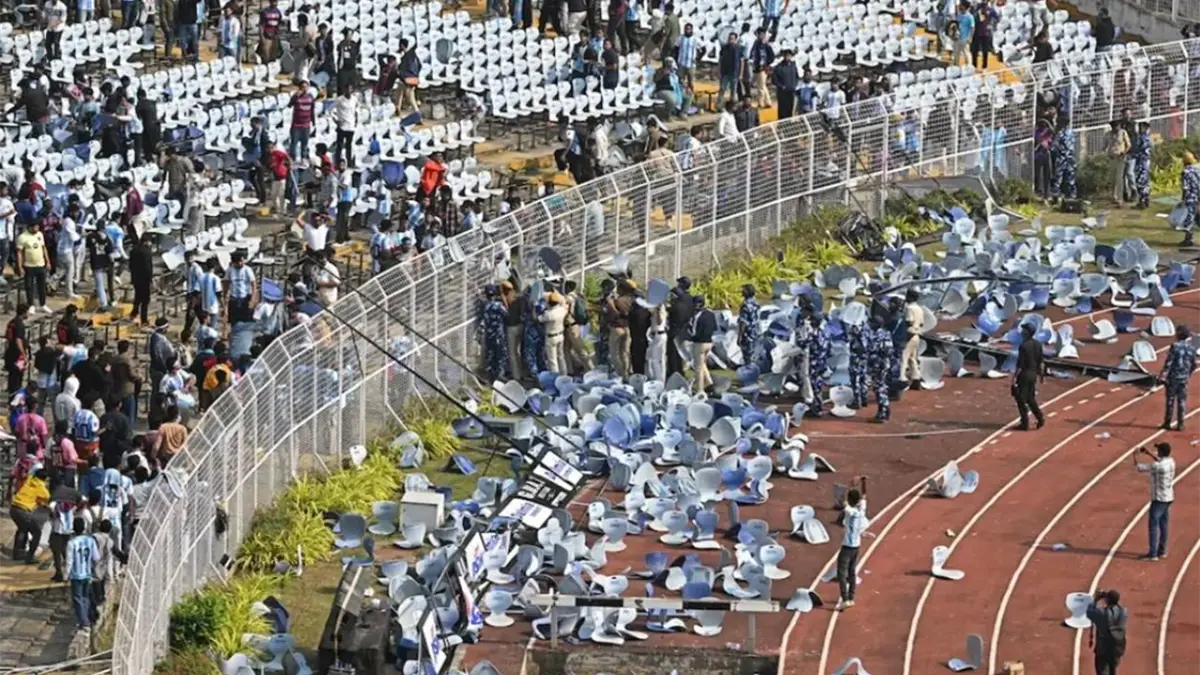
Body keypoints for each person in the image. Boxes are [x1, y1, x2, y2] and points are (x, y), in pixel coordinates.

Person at [1135, 442, 1175, 562]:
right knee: (1164, 524)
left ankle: (1153, 553)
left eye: (1158, 451)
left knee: (1153, 525)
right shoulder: (1171, 461)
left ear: (1162, 452)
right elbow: (1160, 461)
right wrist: (1149, 454)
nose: (1157, 452)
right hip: (1168, 497)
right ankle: (1162, 551)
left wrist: (1135, 456)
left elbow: (1139, 468)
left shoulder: (1157, 466)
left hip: (1159, 499)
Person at [835, 476, 868, 611]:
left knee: (841, 573)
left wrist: (850, 485)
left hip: (847, 547)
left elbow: (843, 500)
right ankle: (852, 597)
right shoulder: (861, 509)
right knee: (852, 572)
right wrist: (863, 482)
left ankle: (845, 598)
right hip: (856, 546)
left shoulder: (851, 512)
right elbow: (864, 495)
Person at [1159, 325, 1196, 430]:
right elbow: (1194, 364)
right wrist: (1188, 373)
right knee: (1182, 401)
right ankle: (1181, 423)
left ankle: (1167, 422)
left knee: (1170, 400)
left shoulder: (1174, 347)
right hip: (1184, 378)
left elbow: (1168, 363)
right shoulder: (1192, 348)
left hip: (1173, 378)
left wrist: (1162, 376)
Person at [10, 466, 50, 563]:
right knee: (37, 533)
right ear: (45, 479)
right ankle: (29, 557)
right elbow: (46, 497)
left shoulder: (30, 479)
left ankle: (17, 553)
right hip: (23, 510)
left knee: (22, 528)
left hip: (13, 508)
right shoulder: (42, 488)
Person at [65, 516, 99, 628]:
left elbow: (69, 561)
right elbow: (96, 557)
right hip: (87, 573)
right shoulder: (91, 540)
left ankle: (84, 621)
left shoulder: (71, 543)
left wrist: (66, 575)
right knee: (85, 597)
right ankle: (86, 618)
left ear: (73, 528)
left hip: (76, 575)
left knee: (77, 598)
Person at [1012, 322, 1045, 430]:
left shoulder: (1024, 346)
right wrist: (1041, 375)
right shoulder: (1038, 344)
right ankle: (1040, 417)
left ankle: (1025, 422)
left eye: (1023, 330)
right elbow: (1041, 361)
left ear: (1027, 332)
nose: (1022, 332)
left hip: (1025, 375)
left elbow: (1020, 364)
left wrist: (1014, 378)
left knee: (1020, 398)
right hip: (1033, 374)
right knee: (1030, 398)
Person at [1086, 589, 1127, 675]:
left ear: (1107, 600)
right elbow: (1119, 606)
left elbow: (1089, 612)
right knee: (1112, 670)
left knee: (1102, 670)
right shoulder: (1123, 613)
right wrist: (1111, 598)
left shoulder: (1101, 613)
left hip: (1103, 648)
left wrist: (1096, 599)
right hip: (1116, 647)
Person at [16, 220, 48, 313]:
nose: (37, 229)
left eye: (37, 227)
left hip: (40, 264)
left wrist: (47, 261)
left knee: (41, 286)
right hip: (29, 265)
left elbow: (43, 248)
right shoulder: (22, 237)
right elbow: (19, 253)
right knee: (29, 286)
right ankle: (31, 305)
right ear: (30, 227)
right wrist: (20, 267)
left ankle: (43, 304)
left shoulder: (40, 235)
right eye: (35, 227)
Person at [480, 284, 509, 381]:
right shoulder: (498, 306)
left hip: (489, 334)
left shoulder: (484, 305)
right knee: (501, 354)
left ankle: (490, 376)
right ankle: (500, 374)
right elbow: (506, 315)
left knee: (490, 355)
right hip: (499, 334)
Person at [607, 280, 635, 378]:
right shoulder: (632, 299)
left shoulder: (618, 301)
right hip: (628, 328)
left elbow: (616, 314)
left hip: (617, 327)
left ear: (622, 289)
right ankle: (628, 371)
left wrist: (611, 305)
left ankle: (621, 374)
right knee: (625, 352)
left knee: (614, 353)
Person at [868, 315, 893, 422]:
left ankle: (883, 412)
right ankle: (884, 410)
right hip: (885, 363)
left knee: (879, 388)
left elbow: (871, 350)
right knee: (882, 386)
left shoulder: (875, 335)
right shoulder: (886, 333)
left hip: (877, 364)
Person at [689, 294, 715, 393]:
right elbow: (714, 327)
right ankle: (709, 383)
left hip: (699, 343)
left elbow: (694, 332)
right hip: (709, 342)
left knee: (698, 368)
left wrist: (689, 334)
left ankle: (700, 390)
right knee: (702, 363)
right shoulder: (710, 313)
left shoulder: (697, 316)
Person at [540, 291, 569, 374]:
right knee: (561, 356)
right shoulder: (562, 310)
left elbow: (537, 319)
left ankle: (555, 377)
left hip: (551, 337)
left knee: (552, 360)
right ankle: (564, 374)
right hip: (560, 335)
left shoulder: (549, 314)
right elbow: (563, 302)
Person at [1104, 120, 1131, 206]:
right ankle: (1113, 196)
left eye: (1116, 126)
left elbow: (1128, 145)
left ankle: (1120, 198)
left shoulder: (1123, 133)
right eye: (1113, 126)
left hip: (1120, 157)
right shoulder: (1108, 134)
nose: (1115, 128)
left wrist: (1124, 152)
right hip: (1112, 157)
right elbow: (1105, 145)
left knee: (1119, 178)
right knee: (1112, 178)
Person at [1052, 117, 1078, 201]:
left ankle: (1064, 195)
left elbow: (1054, 145)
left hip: (1065, 158)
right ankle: (1067, 195)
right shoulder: (1070, 133)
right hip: (1067, 157)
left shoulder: (1062, 133)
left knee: (1064, 176)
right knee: (1065, 177)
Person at [900, 289, 923, 386]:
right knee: (912, 358)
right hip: (917, 335)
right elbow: (921, 323)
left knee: (904, 357)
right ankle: (916, 377)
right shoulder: (919, 308)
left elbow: (908, 321)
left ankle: (902, 378)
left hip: (909, 334)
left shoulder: (910, 308)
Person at [5, 304, 29, 396]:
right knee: (17, 379)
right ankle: (14, 399)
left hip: (10, 353)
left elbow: (7, 336)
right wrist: (24, 355)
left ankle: (11, 397)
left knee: (12, 377)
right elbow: (18, 340)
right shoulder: (20, 324)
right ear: (24, 312)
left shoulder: (11, 322)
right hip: (17, 355)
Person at [1129, 121, 1152, 209]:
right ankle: (1146, 200)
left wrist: (1132, 155)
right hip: (1145, 162)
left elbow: (1138, 150)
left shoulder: (1142, 138)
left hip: (1142, 162)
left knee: (1140, 182)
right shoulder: (1147, 138)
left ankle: (1142, 202)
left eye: (1141, 127)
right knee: (1145, 182)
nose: (1139, 129)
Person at [1180, 151, 1200, 247]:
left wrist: (1183, 199)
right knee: (1196, 217)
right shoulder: (1197, 169)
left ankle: (1188, 239)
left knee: (1188, 218)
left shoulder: (1186, 172)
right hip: (1197, 195)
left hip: (1190, 197)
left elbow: (1185, 187)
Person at [716, 32, 740, 110]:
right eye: (729, 38)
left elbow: (741, 61)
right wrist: (719, 70)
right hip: (725, 72)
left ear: (735, 40)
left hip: (734, 73)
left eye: (732, 39)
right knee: (722, 89)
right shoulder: (724, 48)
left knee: (733, 91)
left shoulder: (737, 49)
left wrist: (740, 73)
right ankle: (719, 105)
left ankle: (732, 106)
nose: (730, 40)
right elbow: (720, 59)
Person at [736, 284, 759, 364]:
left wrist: (740, 336)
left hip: (747, 334)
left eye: (743, 290)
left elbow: (743, 322)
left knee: (747, 357)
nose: (741, 291)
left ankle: (750, 372)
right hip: (755, 333)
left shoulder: (745, 305)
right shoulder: (755, 302)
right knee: (753, 355)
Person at [772, 50, 798, 119]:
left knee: (790, 108)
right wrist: (781, 86)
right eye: (786, 56)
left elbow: (796, 76)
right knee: (782, 110)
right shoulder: (778, 67)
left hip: (791, 91)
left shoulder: (793, 66)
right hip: (782, 92)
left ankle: (789, 123)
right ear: (784, 56)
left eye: (789, 56)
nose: (788, 57)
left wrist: (795, 84)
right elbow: (774, 80)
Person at [953, 2, 974, 66]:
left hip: (965, 38)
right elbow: (956, 25)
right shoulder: (958, 15)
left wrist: (970, 37)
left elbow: (972, 28)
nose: (960, 6)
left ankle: (969, 66)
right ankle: (956, 67)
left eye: (961, 5)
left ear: (965, 7)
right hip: (957, 38)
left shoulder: (970, 17)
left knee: (966, 53)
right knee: (956, 54)